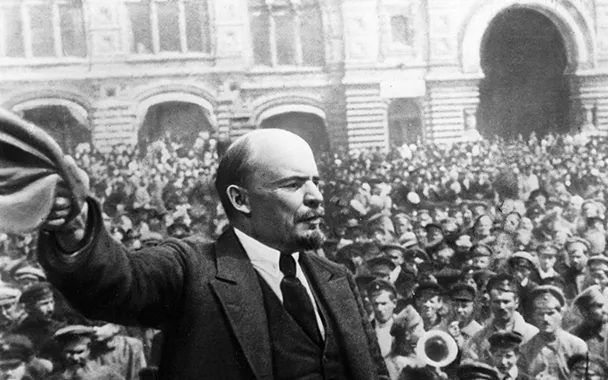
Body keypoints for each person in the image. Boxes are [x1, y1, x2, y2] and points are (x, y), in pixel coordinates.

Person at [38, 129, 387, 380]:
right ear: (240, 199)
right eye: (293, 184)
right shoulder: (192, 270)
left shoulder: (337, 279)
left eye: (315, 181)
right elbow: (119, 281)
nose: (315, 196)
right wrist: (76, 231)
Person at [518, 285, 587, 380]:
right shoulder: (526, 348)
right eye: (540, 314)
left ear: (561, 314)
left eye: (550, 313)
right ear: (533, 316)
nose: (545, 319)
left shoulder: (576, 346)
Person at [44, 326, 123, 380]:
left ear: (90, 349)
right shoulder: (56, 378)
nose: (75, 358)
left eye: (80, 352)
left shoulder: (108, 376)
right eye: (69, 352)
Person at [570, 285, 608, 364]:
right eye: (599, 306)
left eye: (606, 304)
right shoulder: (573, 336)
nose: (606, 310)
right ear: (584, 311)